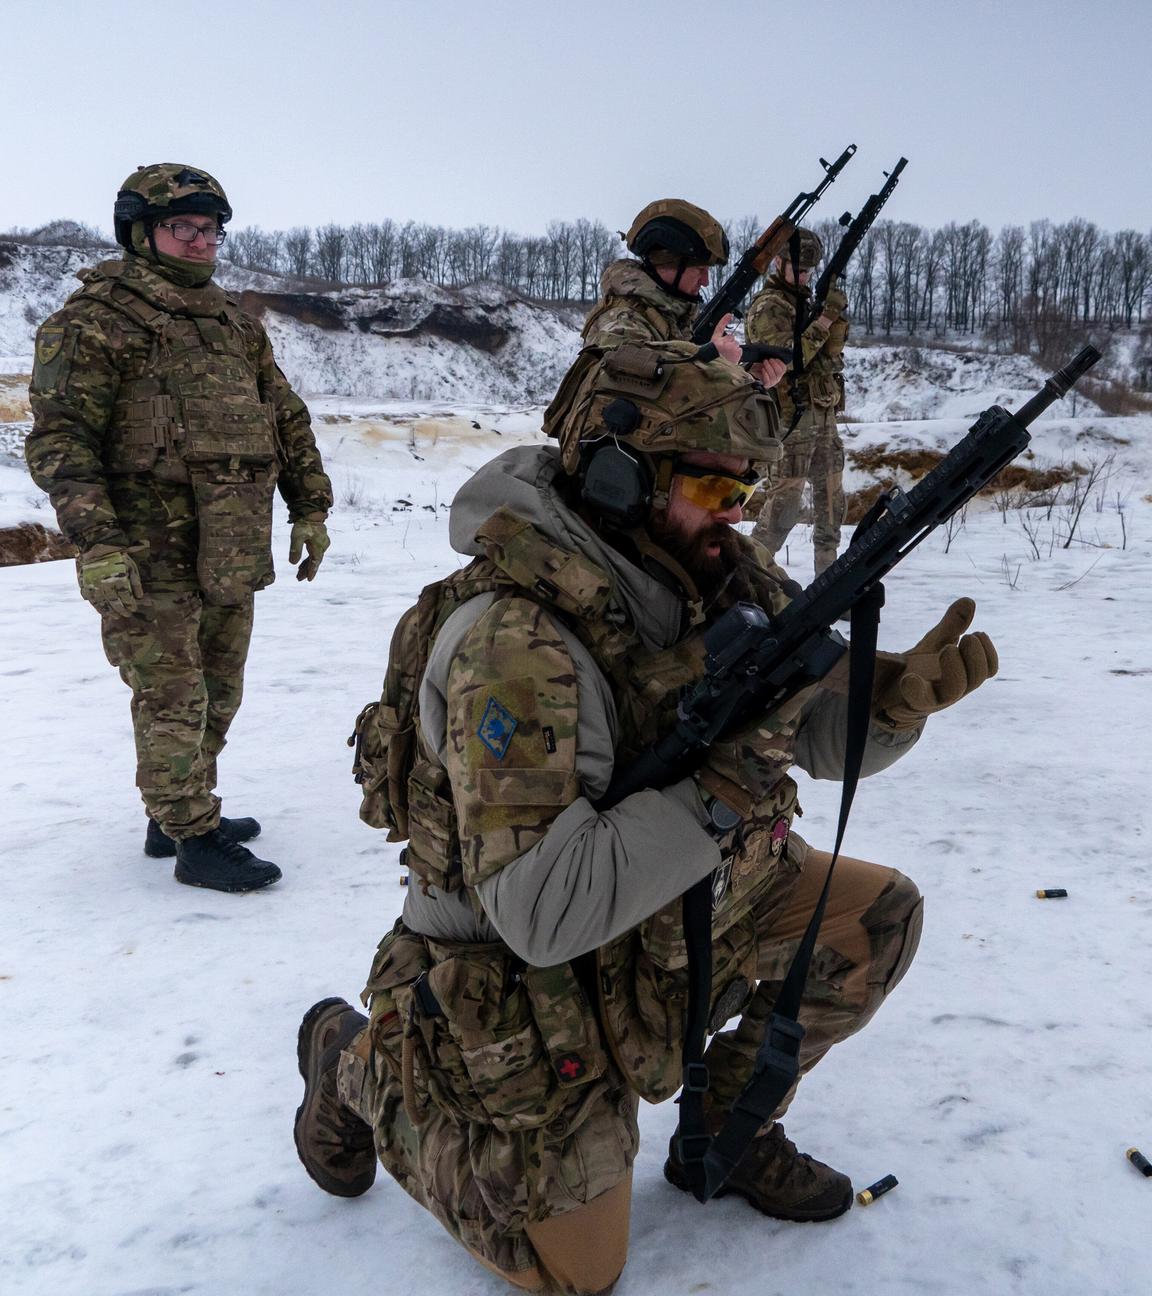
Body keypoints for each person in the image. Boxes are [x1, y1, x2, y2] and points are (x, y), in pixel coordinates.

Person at [293, 342, 997, 1295]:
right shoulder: (515, 644)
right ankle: (359, 1062)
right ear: (622, 479)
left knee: (876, 917)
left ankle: (729, 1129)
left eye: (745, 492)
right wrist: (722, 790)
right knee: (577, 1272)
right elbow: (541, 915)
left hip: (676, 904)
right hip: (518, 969)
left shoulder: (714, 577)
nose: (736, 518)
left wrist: (895, 707)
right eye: (714, 493)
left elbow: (820, 742)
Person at [25, 163, 333, 893]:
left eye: (210, 230)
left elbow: (284, 418)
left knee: (220, 691)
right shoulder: (93, 321)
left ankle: (177, 813)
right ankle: (193, 838)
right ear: (142, 232)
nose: (201, 243)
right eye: (183, 228)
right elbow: (61, 442)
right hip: (144, 550)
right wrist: (96, 544)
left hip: (229, 543)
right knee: (172, 698)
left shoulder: (232, 325)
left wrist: (311, 505)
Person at [582, 198, 787, 391]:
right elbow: (631, 398)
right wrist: (716, 363)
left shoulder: (670, 317)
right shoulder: (621, 322)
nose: (706, 281)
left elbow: (686, 396)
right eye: (699, 269)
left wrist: (746, 377)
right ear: (669, 262)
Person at [746, 227, 849, 576]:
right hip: (791, 423)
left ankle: (828, 584)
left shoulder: (809, 302)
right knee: (783, 509)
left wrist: (831, 320)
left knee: (832, 506)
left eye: (808, 271)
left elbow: (827, 357)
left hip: (823, 417)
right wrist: (824, 320)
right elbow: (791, 358)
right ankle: (747, 579)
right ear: (778, 263)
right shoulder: (768, 307)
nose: (803, 276)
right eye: (797, 269)